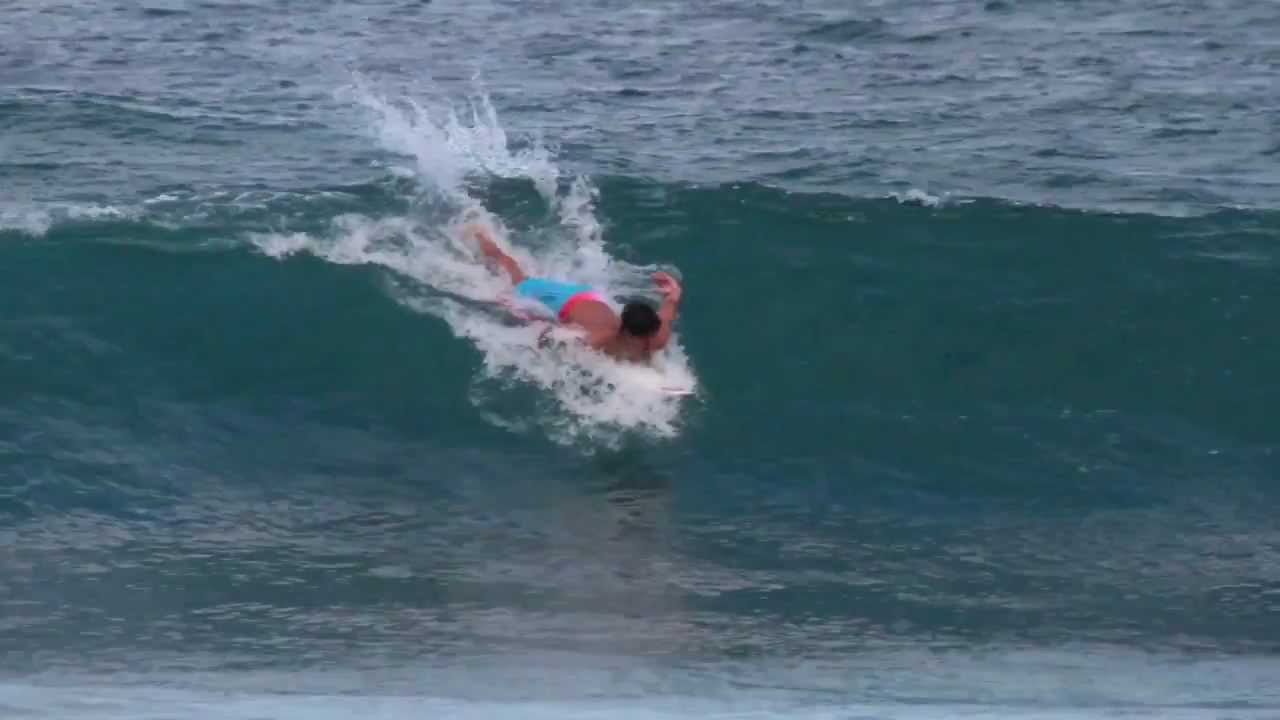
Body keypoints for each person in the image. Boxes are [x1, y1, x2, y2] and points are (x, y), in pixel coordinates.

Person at [464, 223, 682, 363]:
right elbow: (551, 338)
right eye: (644, 337)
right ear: (626, 333)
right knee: (517, 278)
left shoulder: (657, 336)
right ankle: (481, 235)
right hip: (565, 302)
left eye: (650, 335)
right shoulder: (598, 339)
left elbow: (668, 311)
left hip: (591, 299)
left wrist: (673, 293)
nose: (649, 341)